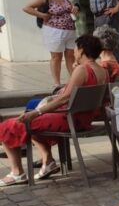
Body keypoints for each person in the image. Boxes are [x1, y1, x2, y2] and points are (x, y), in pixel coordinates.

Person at [0, 34, 108, 186]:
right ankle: (48, 161)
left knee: (9, 125)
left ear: (82, 50)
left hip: (70, 119)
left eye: (76, 49)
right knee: (33, 121)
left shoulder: (82, 70)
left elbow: (64, 99)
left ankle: (17, 173)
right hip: (83, 119)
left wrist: (37, 112)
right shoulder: (102, 71)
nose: (74, 52)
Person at [23, 0, 78, 87]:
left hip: (70, 30)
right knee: (56, 57)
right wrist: (42, 15)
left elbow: (70, 7)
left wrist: (74, 8)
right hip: (54, 31)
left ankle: (74, 81)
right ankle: (57, 83)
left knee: (70, 55)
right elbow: (26, 8)